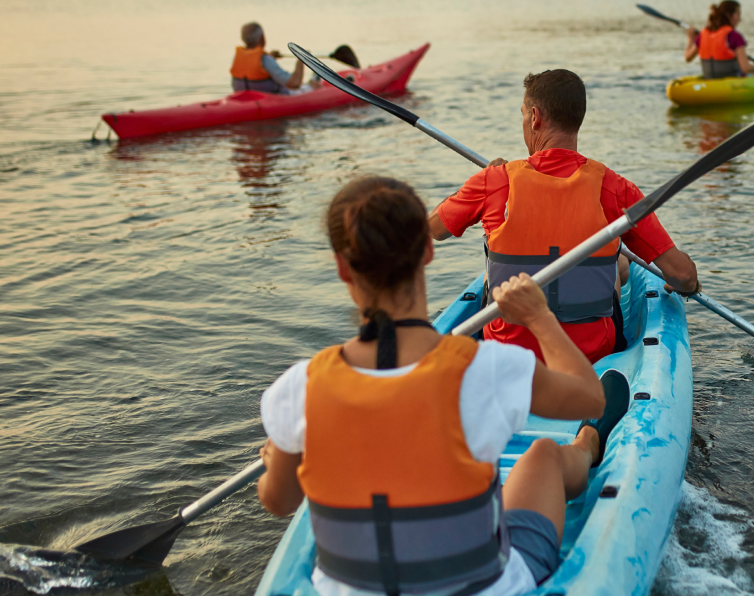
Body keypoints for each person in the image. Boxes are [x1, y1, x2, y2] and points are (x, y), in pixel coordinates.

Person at [257, 176, 608, 595]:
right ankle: (586, 448)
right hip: (486, 587)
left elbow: (278, 501)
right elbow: (590, 396)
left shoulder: (299, 388)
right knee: (544, 454)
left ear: (341, 267)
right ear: (427, 249)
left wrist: (275, 453)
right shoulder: (485, 369)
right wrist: (539, 317)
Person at [428, 70, 700, 363]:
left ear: (534, 117)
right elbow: (682, 274)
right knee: (619, 262)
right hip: (591, 353)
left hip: (509, 349)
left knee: (495, 262)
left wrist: (482, 179)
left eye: (522, 114)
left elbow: (434, 229)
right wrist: (685, 284)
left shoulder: (494, 181)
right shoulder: (615, 187)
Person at [684, 0, 754, 79]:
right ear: (729, 16)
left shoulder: (703, 35)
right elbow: (746, 68)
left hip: (709, 80)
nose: (740, 19)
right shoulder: (735, 36)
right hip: (733, 81)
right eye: (738, 15)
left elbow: (688, 57)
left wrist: (690, 38)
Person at [230, 22, 306, 94]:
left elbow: (256, 64)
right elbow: (295, 83)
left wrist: (270, 57)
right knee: (313, 84)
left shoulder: (236, 57)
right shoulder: (266, 59)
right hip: (275, 98)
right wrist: (301, 59)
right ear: (261, 38)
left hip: (246, 98)